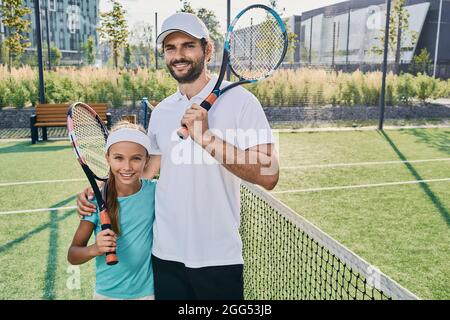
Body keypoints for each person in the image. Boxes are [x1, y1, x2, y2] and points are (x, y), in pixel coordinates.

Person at [77, 12, 279, 300]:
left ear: (207, 50)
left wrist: (207, 137)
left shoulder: (242, 103)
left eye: (188, 46)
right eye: (170, 48)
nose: (178, 55)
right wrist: (99, 192)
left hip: (217, 257)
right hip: (165, 255)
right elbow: (143, 173)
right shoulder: (163, 112)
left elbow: (270, 174)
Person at [68, 121, 156, 300]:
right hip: (107, 294)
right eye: (119, 158)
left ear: (147, 160)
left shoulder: (155, 192)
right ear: (107, 158)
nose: (127, 167)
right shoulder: (95, 200)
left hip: (147, 293)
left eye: (136, 158)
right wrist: (95, 249)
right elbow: (73, 254)